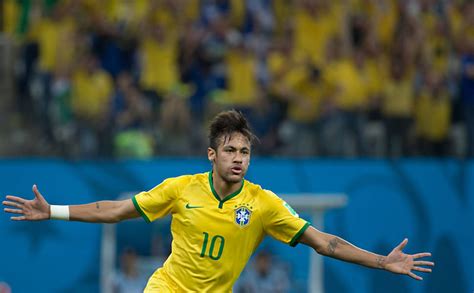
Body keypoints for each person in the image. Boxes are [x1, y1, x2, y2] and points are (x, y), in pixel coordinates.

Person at [3, 110, 434, 292]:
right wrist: (53, 210)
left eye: (245, 152)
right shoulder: (180, 188)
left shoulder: (264, 205)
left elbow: (325, 243)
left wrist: (383, 261)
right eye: (230, 150)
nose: (238, 159)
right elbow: (114, 210)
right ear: (212, 155)